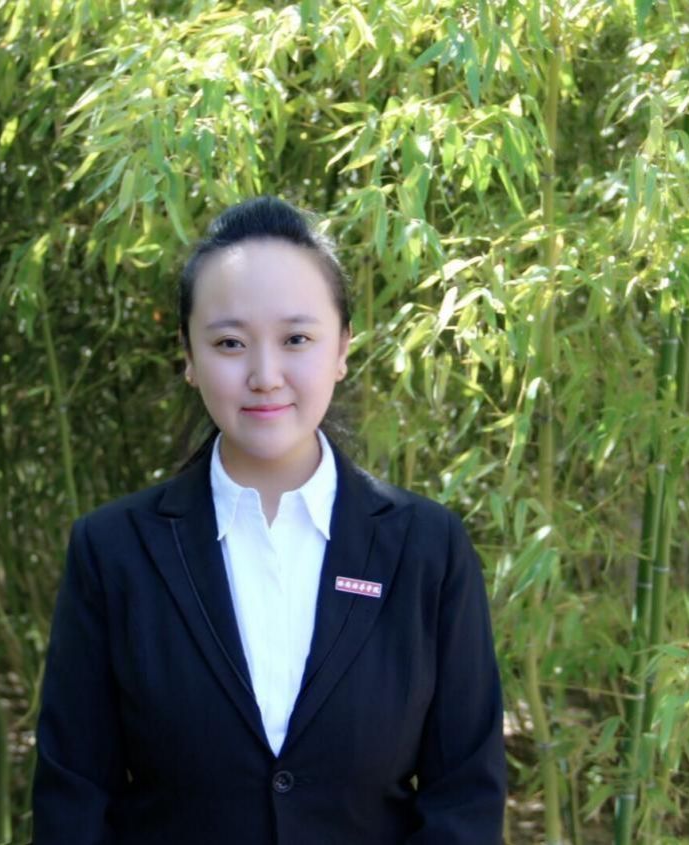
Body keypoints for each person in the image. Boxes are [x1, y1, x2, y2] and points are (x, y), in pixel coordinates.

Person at [33, 197, 506, 844]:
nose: (264, 375)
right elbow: (74, 803)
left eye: (296, 339)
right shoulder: (114, 551)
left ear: (342, 348)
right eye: (230, 343)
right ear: (188, 355)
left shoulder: (427, 549)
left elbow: (466, 800)